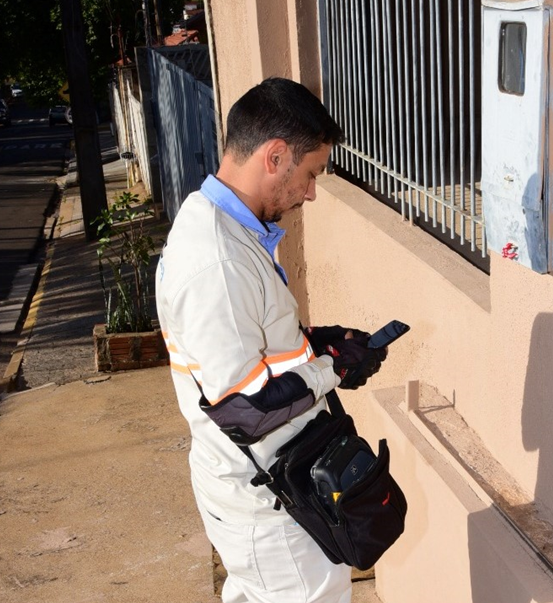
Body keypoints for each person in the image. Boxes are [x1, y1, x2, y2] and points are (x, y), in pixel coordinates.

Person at [156, 78, 386, 603]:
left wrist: (319, 341)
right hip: (266, 499)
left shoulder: (227, 232)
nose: (309, 192)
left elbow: (251, 344)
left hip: (266, 483)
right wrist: (334, 367)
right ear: (275, 155)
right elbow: (245, 408)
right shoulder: (218, 260)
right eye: (309, 175)